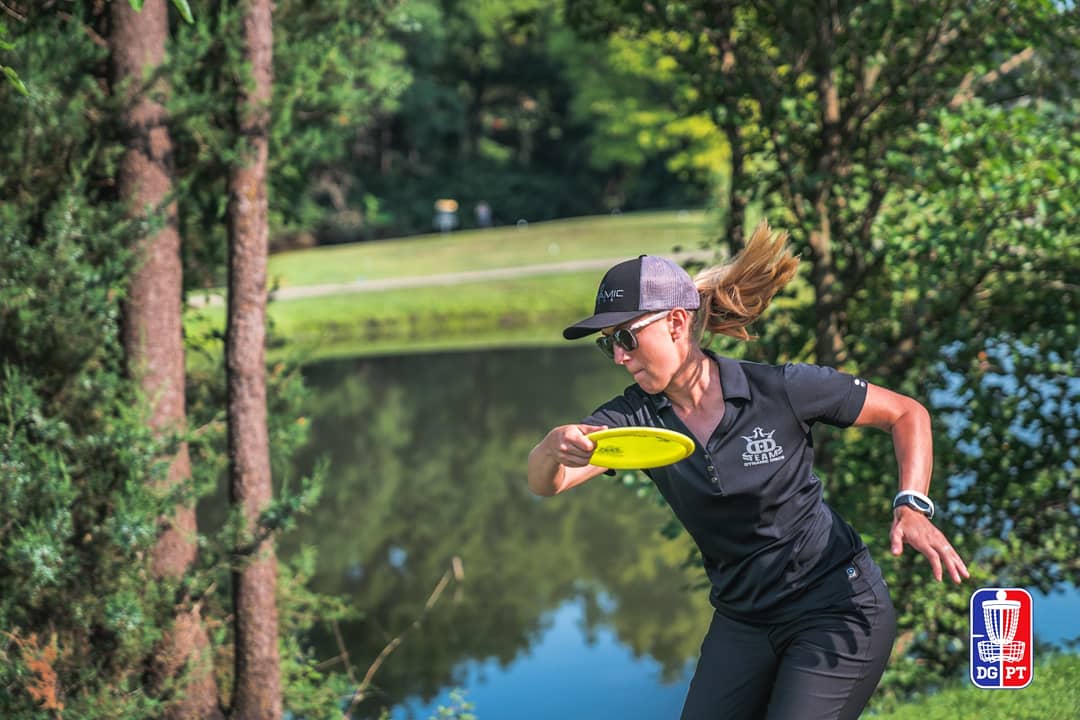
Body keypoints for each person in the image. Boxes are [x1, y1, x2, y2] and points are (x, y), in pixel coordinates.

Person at [527, 221, 969, 720]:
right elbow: (551, 482)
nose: (620, 356)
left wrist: (911, 503)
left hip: (835, 607)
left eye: (626, 336)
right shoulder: (636, 418)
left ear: (676, 323)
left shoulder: (779, 390)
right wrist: (550, 448)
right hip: (744, 621)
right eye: (609, 344)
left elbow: (907, 413)